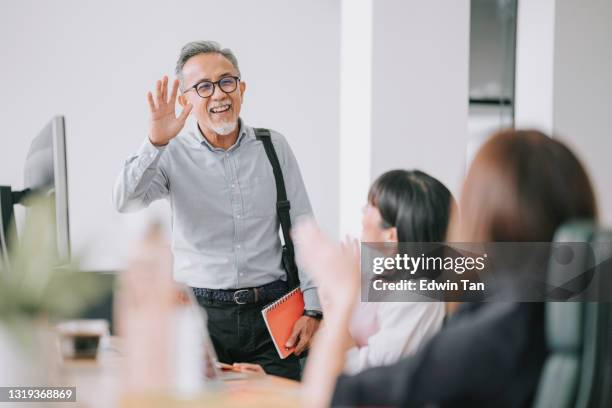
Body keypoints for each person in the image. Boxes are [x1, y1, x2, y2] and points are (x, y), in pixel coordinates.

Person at [295, 129, 598, 407]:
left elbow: (326, 397)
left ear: (481, 217)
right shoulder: (576, 315)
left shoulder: (488, 335)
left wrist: (343, 294)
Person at [113, 41, 321, 380]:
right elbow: (126, 200)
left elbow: (303, 228)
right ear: (185, 100)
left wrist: (314, 310)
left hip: (271, 317)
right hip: (199, 317)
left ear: (242, 88)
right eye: (203, 87)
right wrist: (155, 143)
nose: (219, 95)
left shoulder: (273, 146)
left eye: (227, 81)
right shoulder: (171, 153)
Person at [230, 169, 451, 376]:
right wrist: (272, 381)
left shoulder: (418, 295)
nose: (363, 211)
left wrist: (334, 301)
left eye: (372, 206)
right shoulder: (372, 271)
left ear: (391, 236)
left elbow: (369, 375)